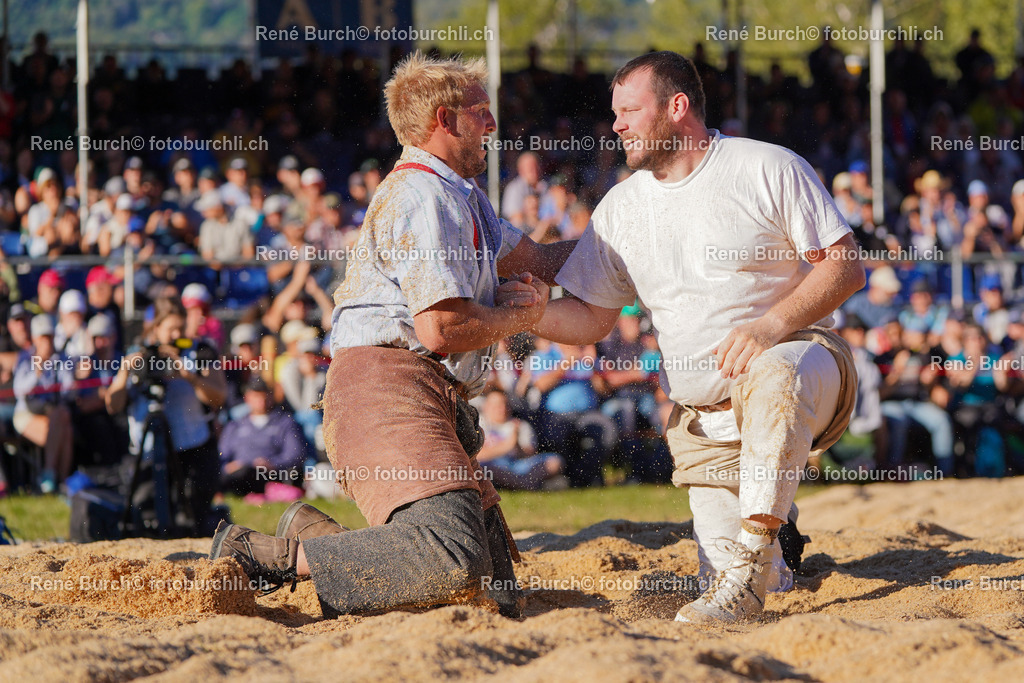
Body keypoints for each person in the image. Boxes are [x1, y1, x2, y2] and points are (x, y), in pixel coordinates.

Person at [210, 52, 575, 618]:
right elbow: (442, 327)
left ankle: (311, 537)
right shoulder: (423, 198)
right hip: (385, 390)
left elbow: (546, 259)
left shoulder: (460, 195)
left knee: (494, 589)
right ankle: (264, 555)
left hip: (408, 388)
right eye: (482, 112)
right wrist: (522, 318)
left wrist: (632, 243)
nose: (493, 126)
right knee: (451, 559)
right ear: (444, 120)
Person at [530, 51, 864, 624]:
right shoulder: (621, 206)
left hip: (805, 366)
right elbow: (592, 319)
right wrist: (520, 316)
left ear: (677, 107)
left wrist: (769, 327)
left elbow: (845, 266)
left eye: (630, 110)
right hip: (701, 421)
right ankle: (770, 553)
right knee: (745, 587)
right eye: (615, 113)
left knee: (774, 376)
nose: (616, 125)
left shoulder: (766, 166)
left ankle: (757, 555)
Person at [106, 298, 227, 535]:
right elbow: (113, 405)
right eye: (170, 329)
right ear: (155, 328)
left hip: (193, 449)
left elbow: (218, 398)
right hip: (149, 451)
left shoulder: (200, 351)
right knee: (146, 517)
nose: (175, 335)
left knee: (192, 521)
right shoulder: (138, 354)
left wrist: (189, 375)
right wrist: (124, 372)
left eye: (180, 329)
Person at [12, 315, 75, 492]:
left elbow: (68, 391)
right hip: (26, 415)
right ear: (34, 338)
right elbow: (19, 391)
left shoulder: (61, 359)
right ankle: (59, 481)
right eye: (42, 337)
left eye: (49, 336)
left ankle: (52, 478)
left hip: (53, 416)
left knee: (62, 418)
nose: (46, 341)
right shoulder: (25, 359)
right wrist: (38, 371)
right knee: (64, 426)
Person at [219, 377, 306, 495]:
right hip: (239, 473)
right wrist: (228, 467)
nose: (262, 400)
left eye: (265, 395)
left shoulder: (285, 422)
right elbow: (222, 455)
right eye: (256, 396)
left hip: (270, 474)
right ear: (247, 398)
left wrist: (272, 464)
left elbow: (295, 455)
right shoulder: (235, 425)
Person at [477, 387, 565, 490]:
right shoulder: (479, 425)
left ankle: (514, 483)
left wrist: (517, 445)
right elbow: (477, 456)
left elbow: (529, 454)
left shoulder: (519, 425)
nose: (502, 409)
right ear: (486, 407)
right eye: (497, 406)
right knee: (481, 467)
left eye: (505, 404)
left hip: (517, 466)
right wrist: (507, 446)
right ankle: (526, 484)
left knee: (554, 461)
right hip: (493, 464)